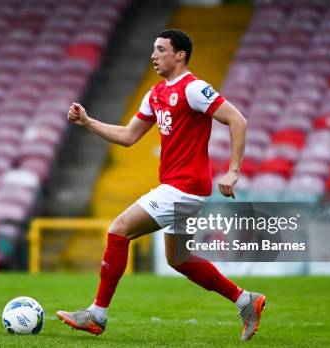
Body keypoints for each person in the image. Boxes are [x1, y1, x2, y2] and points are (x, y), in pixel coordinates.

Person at [57, 29, 265, 341]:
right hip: (179, 187)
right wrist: (88, 122)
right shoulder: (154, 94)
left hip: (185, 187)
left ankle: (97, 315)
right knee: (179, 260)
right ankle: (247, 301)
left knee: (118, 229)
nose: (153, 55)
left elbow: (238, 120)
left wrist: (233, 171)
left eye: (161, 49)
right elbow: (128, 137)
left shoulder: (194, 89)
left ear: (179, 55)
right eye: (154, 49)